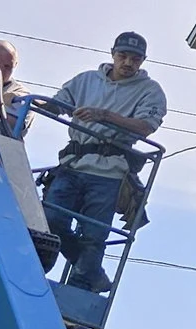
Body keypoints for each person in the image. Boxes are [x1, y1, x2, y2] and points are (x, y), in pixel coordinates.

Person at [41, 31, 166, 292]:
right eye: (123, 56)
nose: (128, 63)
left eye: (135, 58)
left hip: (109, 172)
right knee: (50, 220)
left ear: (143, 60)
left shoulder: (150, 91)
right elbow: (58, 103)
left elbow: (144, 126)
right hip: (72, 164)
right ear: (112, 54)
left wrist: (105, 116)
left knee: (94, 235)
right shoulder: (86, 80)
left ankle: (82, 283)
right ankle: (91, 271)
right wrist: (25, 105)